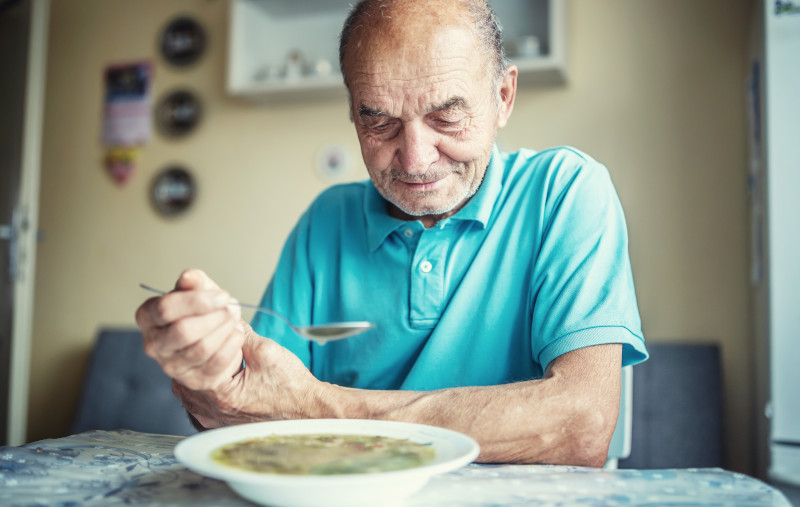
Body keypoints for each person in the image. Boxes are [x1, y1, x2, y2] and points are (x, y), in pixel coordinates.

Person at [136, 0, 647, 467]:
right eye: (379, 123)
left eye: (447, 117)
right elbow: (255, 415)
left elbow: (580, 426)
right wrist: (208, 374)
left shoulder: (565, 191)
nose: (416, 159)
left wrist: (317, 408)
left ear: (504, 97)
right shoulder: (325, 221)